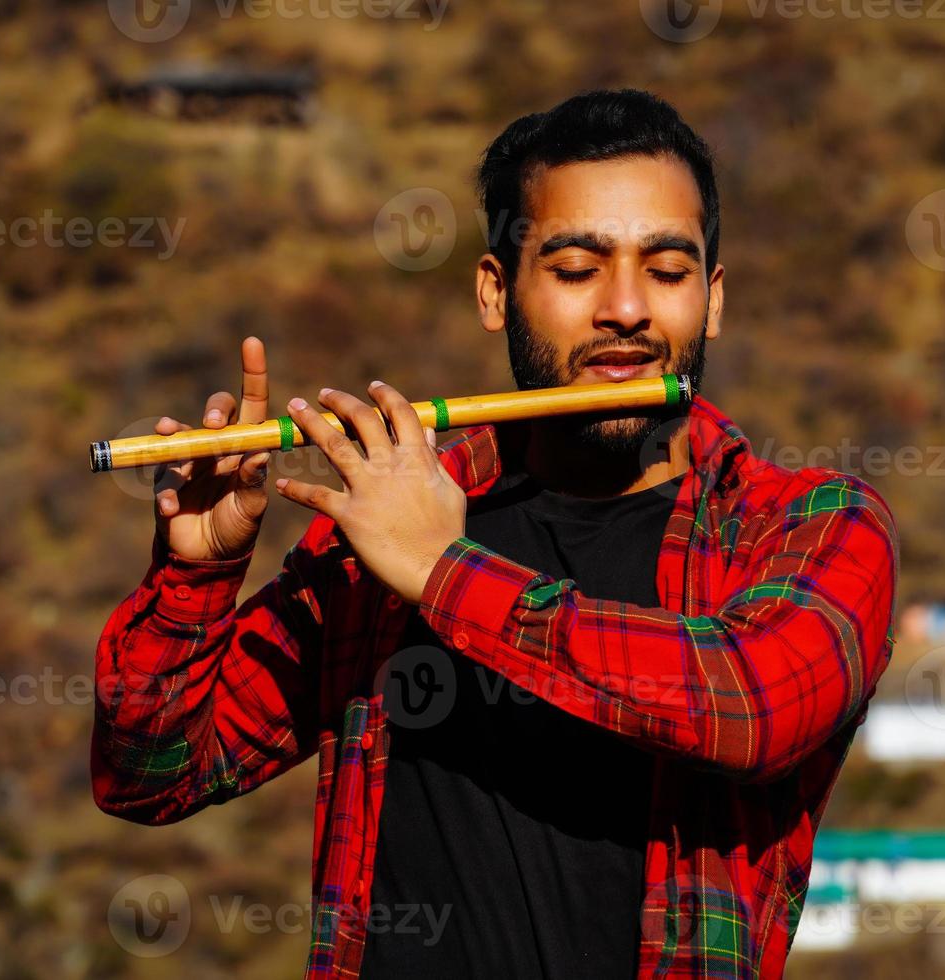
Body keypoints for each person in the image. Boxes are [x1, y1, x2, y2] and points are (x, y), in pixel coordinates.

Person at [92, 88, 898, 979]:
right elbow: (152, 774)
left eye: (666, 271)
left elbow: (750, 707)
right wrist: (195, 578)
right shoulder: (388, 524)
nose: (627, 309)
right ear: (495, 290)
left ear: (711, 302)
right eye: (576, 268)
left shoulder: (806, 524)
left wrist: (443, 572)